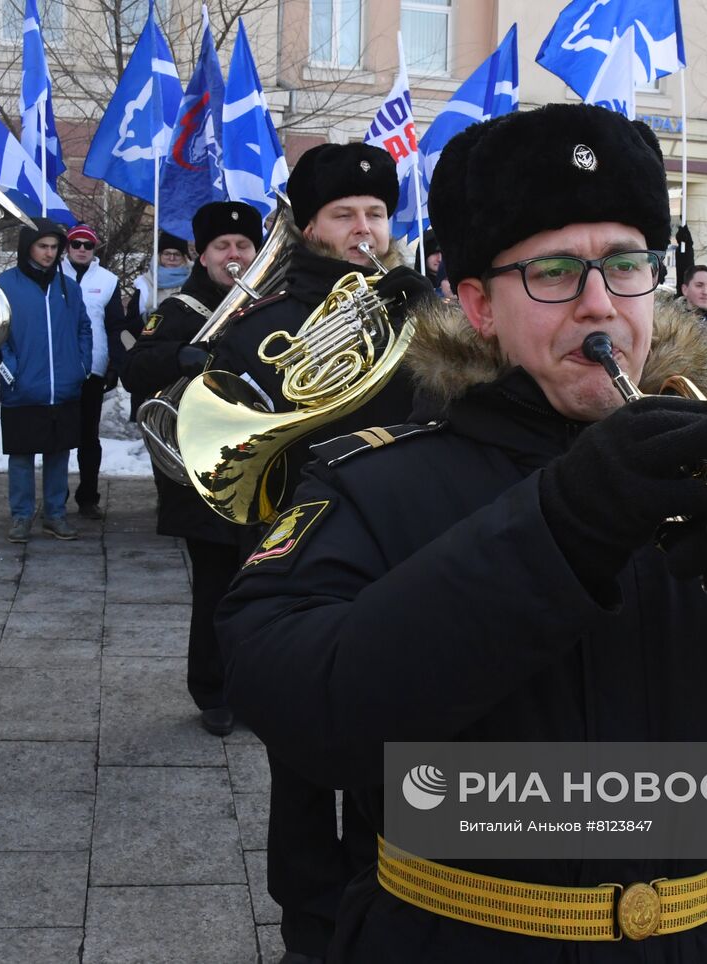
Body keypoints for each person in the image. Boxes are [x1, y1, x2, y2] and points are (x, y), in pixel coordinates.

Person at [217, 104, 707, 963]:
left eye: (625, 266)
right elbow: (293, 697)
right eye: (552, 272)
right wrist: (562, 528)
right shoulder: (373, 481)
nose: (600, 307)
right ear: (477, 305)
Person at [208, 142, 433, 964]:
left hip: (406, 548)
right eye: (345, 215)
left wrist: (435, 318)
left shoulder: (426, 314)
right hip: (299, 552)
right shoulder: (262, 326)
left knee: (400, 744)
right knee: (302, 754)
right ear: (309, 228)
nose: (365, 230)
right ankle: (308, 924)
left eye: (376, 214)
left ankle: (396, 901)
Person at [120, 200, 263, 736]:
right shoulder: (180, 309)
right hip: (207, 472)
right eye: (222, 247)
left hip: (268, 465)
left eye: (243, 246)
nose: (233, 254)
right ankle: (214, 692)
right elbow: (133, 369)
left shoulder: (272, 303)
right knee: (216, 586)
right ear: (203, 256)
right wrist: (179, 354)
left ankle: (259, 684)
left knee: (267, 583)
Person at [0, 219, 93, 542]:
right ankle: (21, 516)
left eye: (54, 248)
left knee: (58, 453)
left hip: (63, 388)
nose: (49, 254)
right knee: (21, 456)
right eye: (43, 247)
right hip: (23, 388)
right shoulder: (5, 285)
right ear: (28, 248)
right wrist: (11, 370)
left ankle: (55, 514)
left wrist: (81, 365)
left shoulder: (70, 288)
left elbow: (83, 328)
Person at [61, 223, 125, 520]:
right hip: (59, 366)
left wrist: (115, 365)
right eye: (77, 244)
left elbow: (115, 327)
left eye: (88, 245)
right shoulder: (54, 274)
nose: (82, 250)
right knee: (58, 436)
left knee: (89, 436)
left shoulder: (109, 280)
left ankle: (88, 497)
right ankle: (55, 495)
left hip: (93, 368)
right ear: (68, 247)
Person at [127, 233, 192, 323]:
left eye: (177, 254)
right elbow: (129, 324)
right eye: (167, 253)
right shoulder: (143, 284)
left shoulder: (193, 283)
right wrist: (145, 319)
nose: (171, 258)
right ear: (159, 256)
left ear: (184, 258)